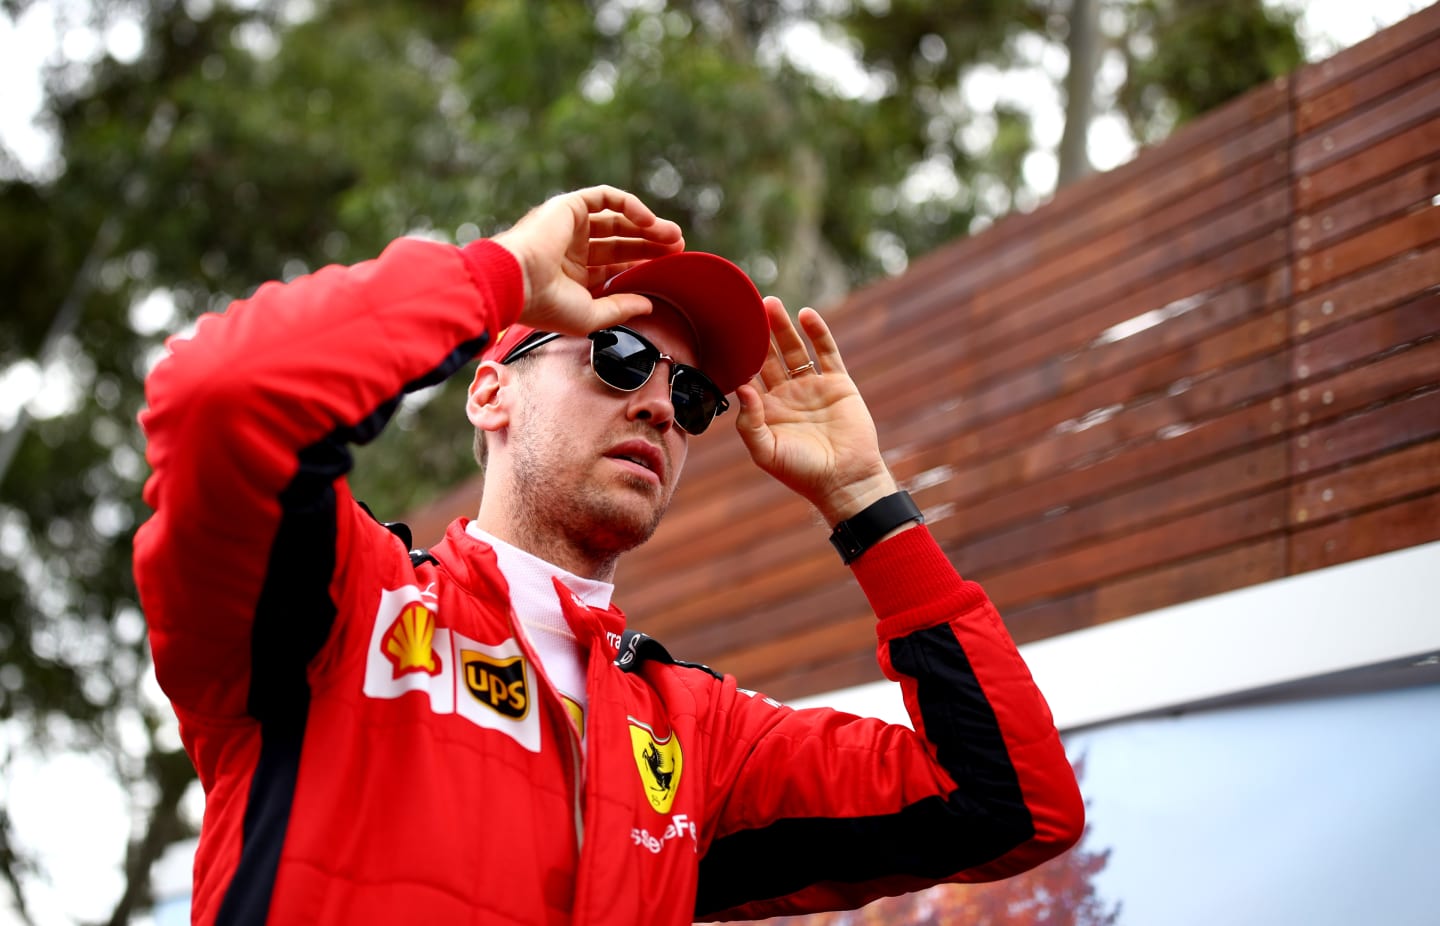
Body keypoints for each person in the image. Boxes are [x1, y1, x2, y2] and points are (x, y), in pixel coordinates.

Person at [133, 185, 1083, 926]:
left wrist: (862, 500)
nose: (662, 407)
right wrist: (497, 274)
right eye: (618, 354)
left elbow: (1015, 804)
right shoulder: (349, 605)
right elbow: (222, 399)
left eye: (696, 395)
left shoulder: (699, 737)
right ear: (490, 392)